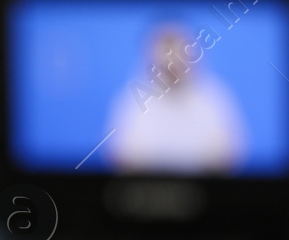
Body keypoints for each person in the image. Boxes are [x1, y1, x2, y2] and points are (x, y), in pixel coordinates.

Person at [106, 22, 248, 174]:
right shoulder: (131, 101)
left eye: (178, 51)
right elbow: (120, 158)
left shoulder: (215, 98)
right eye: (165, 51)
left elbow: (230, 156)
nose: (171, 61)